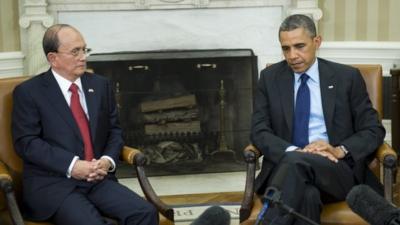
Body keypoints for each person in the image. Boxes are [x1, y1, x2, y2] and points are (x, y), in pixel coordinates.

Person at [12, 24, 158, 225]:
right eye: (75, 51)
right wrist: (73, 166)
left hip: (98, 179)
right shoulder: (29, 92)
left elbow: (114, 131)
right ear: (53, 58)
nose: (83, 57)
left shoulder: (100, 85)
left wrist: (107, 161)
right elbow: (27, 143)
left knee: (144, 212)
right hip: (54, 185)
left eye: (84, 49)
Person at [250, 14, 385, 225]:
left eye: (299, 46)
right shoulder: (270, 78)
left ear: (317, 42)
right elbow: (259, 130)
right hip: (289, 169)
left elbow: (373, 129)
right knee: (307, 195)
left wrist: (339, 149)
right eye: (286, 48)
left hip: (336, 170)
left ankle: (267, 220)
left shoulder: (346, 78)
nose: (292, 55)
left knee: (296, 167)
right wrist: (294, 152)